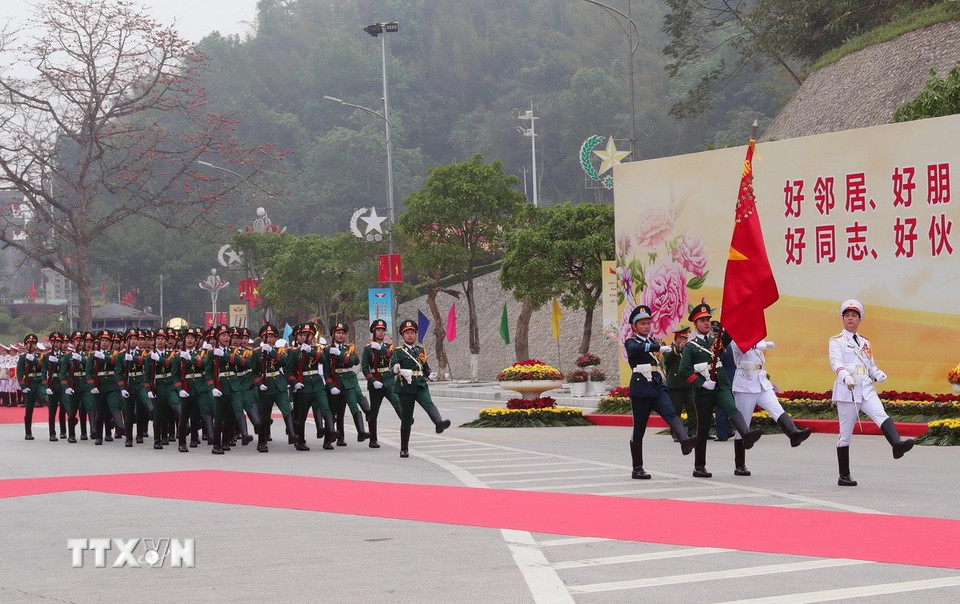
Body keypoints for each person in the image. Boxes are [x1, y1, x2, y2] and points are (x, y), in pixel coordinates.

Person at [830, 299, 913, 486]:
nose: (850, 318)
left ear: (860, 319)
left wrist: (877, 373)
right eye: (847, 315)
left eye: (854, 316)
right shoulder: (836, 341)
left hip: (866, 387)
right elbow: (835, 362)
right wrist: (844, 375)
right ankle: (844, 475)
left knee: (880, 414)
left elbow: (870, 365)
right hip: (848, 390)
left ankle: (896, 444)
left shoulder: (865, 342)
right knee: (845, 434)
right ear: (842, 319)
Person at [678, 303, 761, 478]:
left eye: (708, 319)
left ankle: (746, 434)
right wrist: (701, 383)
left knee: (732, 408)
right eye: (702, 320)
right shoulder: (691, 347)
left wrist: (732, 316)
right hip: (704, 391)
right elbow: (684, 371)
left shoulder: (716, 341)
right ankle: (699, 466)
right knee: (703, 427)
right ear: (695, 323)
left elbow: (729, 335)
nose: (706, 323)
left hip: (721, 386)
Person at [623, 306, 697, 479]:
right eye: (642, 323)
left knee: (670, 412)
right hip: (641, 388)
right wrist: (655, 346)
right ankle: (637, 468)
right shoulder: (632, 341)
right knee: (639, 429)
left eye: (648, 323)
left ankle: (684, 440)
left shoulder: (652, 340)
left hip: (656, 384)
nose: (647, 326)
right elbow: (634, 350)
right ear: (635, 326)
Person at [728, 336, 811, 476]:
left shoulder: (756, 339)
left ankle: (793, 434)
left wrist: (761, 342)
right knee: (743, 425)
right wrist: (763, 343)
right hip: (745, 384)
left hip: (761, 381)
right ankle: (740, 464)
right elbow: (743, 346)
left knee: (776, 408)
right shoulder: (737, 339)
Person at [392, 319, 451, 458]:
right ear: (403, 335)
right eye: (407, 333)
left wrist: (429, 374)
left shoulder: (420, 350)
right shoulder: (398, 351)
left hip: (420, 384)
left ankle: (439, 423)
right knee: (406, 417)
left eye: (412, 332)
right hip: (405, 386)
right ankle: (404, 448)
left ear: (415, 334)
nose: (410, 335)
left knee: (428, 403)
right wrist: (395, 369)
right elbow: (392, 367)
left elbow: (425, 367)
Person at [325, 321, 369, 446]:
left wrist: (340, 355)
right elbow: (326, 370)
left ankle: (361, 432)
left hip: (348, 382)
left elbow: (354, 361)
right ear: (333, 334)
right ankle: (329, 439)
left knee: (353, 406)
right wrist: (330, 385)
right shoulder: (327, 349)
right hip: (335, 381)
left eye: (343, 333)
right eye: (338, 333)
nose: (341, 335)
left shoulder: (349, 348)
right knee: (334, 411)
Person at [361, 319, 402, 448]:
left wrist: (381, 349)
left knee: (397, 402)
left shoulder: (389, 347)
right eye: (378, 330)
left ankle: (406, 421)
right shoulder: (368, 349)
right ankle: (373, 439)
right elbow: (365, 367)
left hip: (388, 379)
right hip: (375, 381)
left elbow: (393, 356)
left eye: (382, 330)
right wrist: (372, 380)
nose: (380, 333)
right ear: (373, 332)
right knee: (374, 411)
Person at [663, 326, 695, 439]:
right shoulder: (669, 348)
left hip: (688, 383)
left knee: (692, 409)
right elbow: (667, 359)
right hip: (675, 385)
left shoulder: (688, 349)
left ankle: (693, 432)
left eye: (686, 338)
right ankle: (676, 433)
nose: (685, 341)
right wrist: (679, 349)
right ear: (677, 339)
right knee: (676, 410)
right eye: (683, 338)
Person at [16, 333, 43, 440]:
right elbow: (19, 374)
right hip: (29, 384)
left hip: (39, 383)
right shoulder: (22, 358)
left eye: (33, 344)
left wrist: (34, 360)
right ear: (25, 345)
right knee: (29, 409)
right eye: (29, 344)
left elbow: (41, 368)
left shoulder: (40, 356)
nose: (31, 346)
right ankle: (28, 433)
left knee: (49, 400)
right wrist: (23, 387)